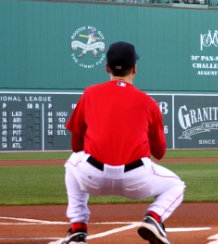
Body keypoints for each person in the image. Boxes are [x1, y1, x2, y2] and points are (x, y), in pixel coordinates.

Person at [52, 41, 185, 244]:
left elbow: (76, 145)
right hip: (137, 179)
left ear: (107, 67)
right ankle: (154, 217)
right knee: (176, 186)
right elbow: (160, 152)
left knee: (72, 162)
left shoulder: (89, 94)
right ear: (135, 69)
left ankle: (78, 228)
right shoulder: (148, 102)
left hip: (92, 176)